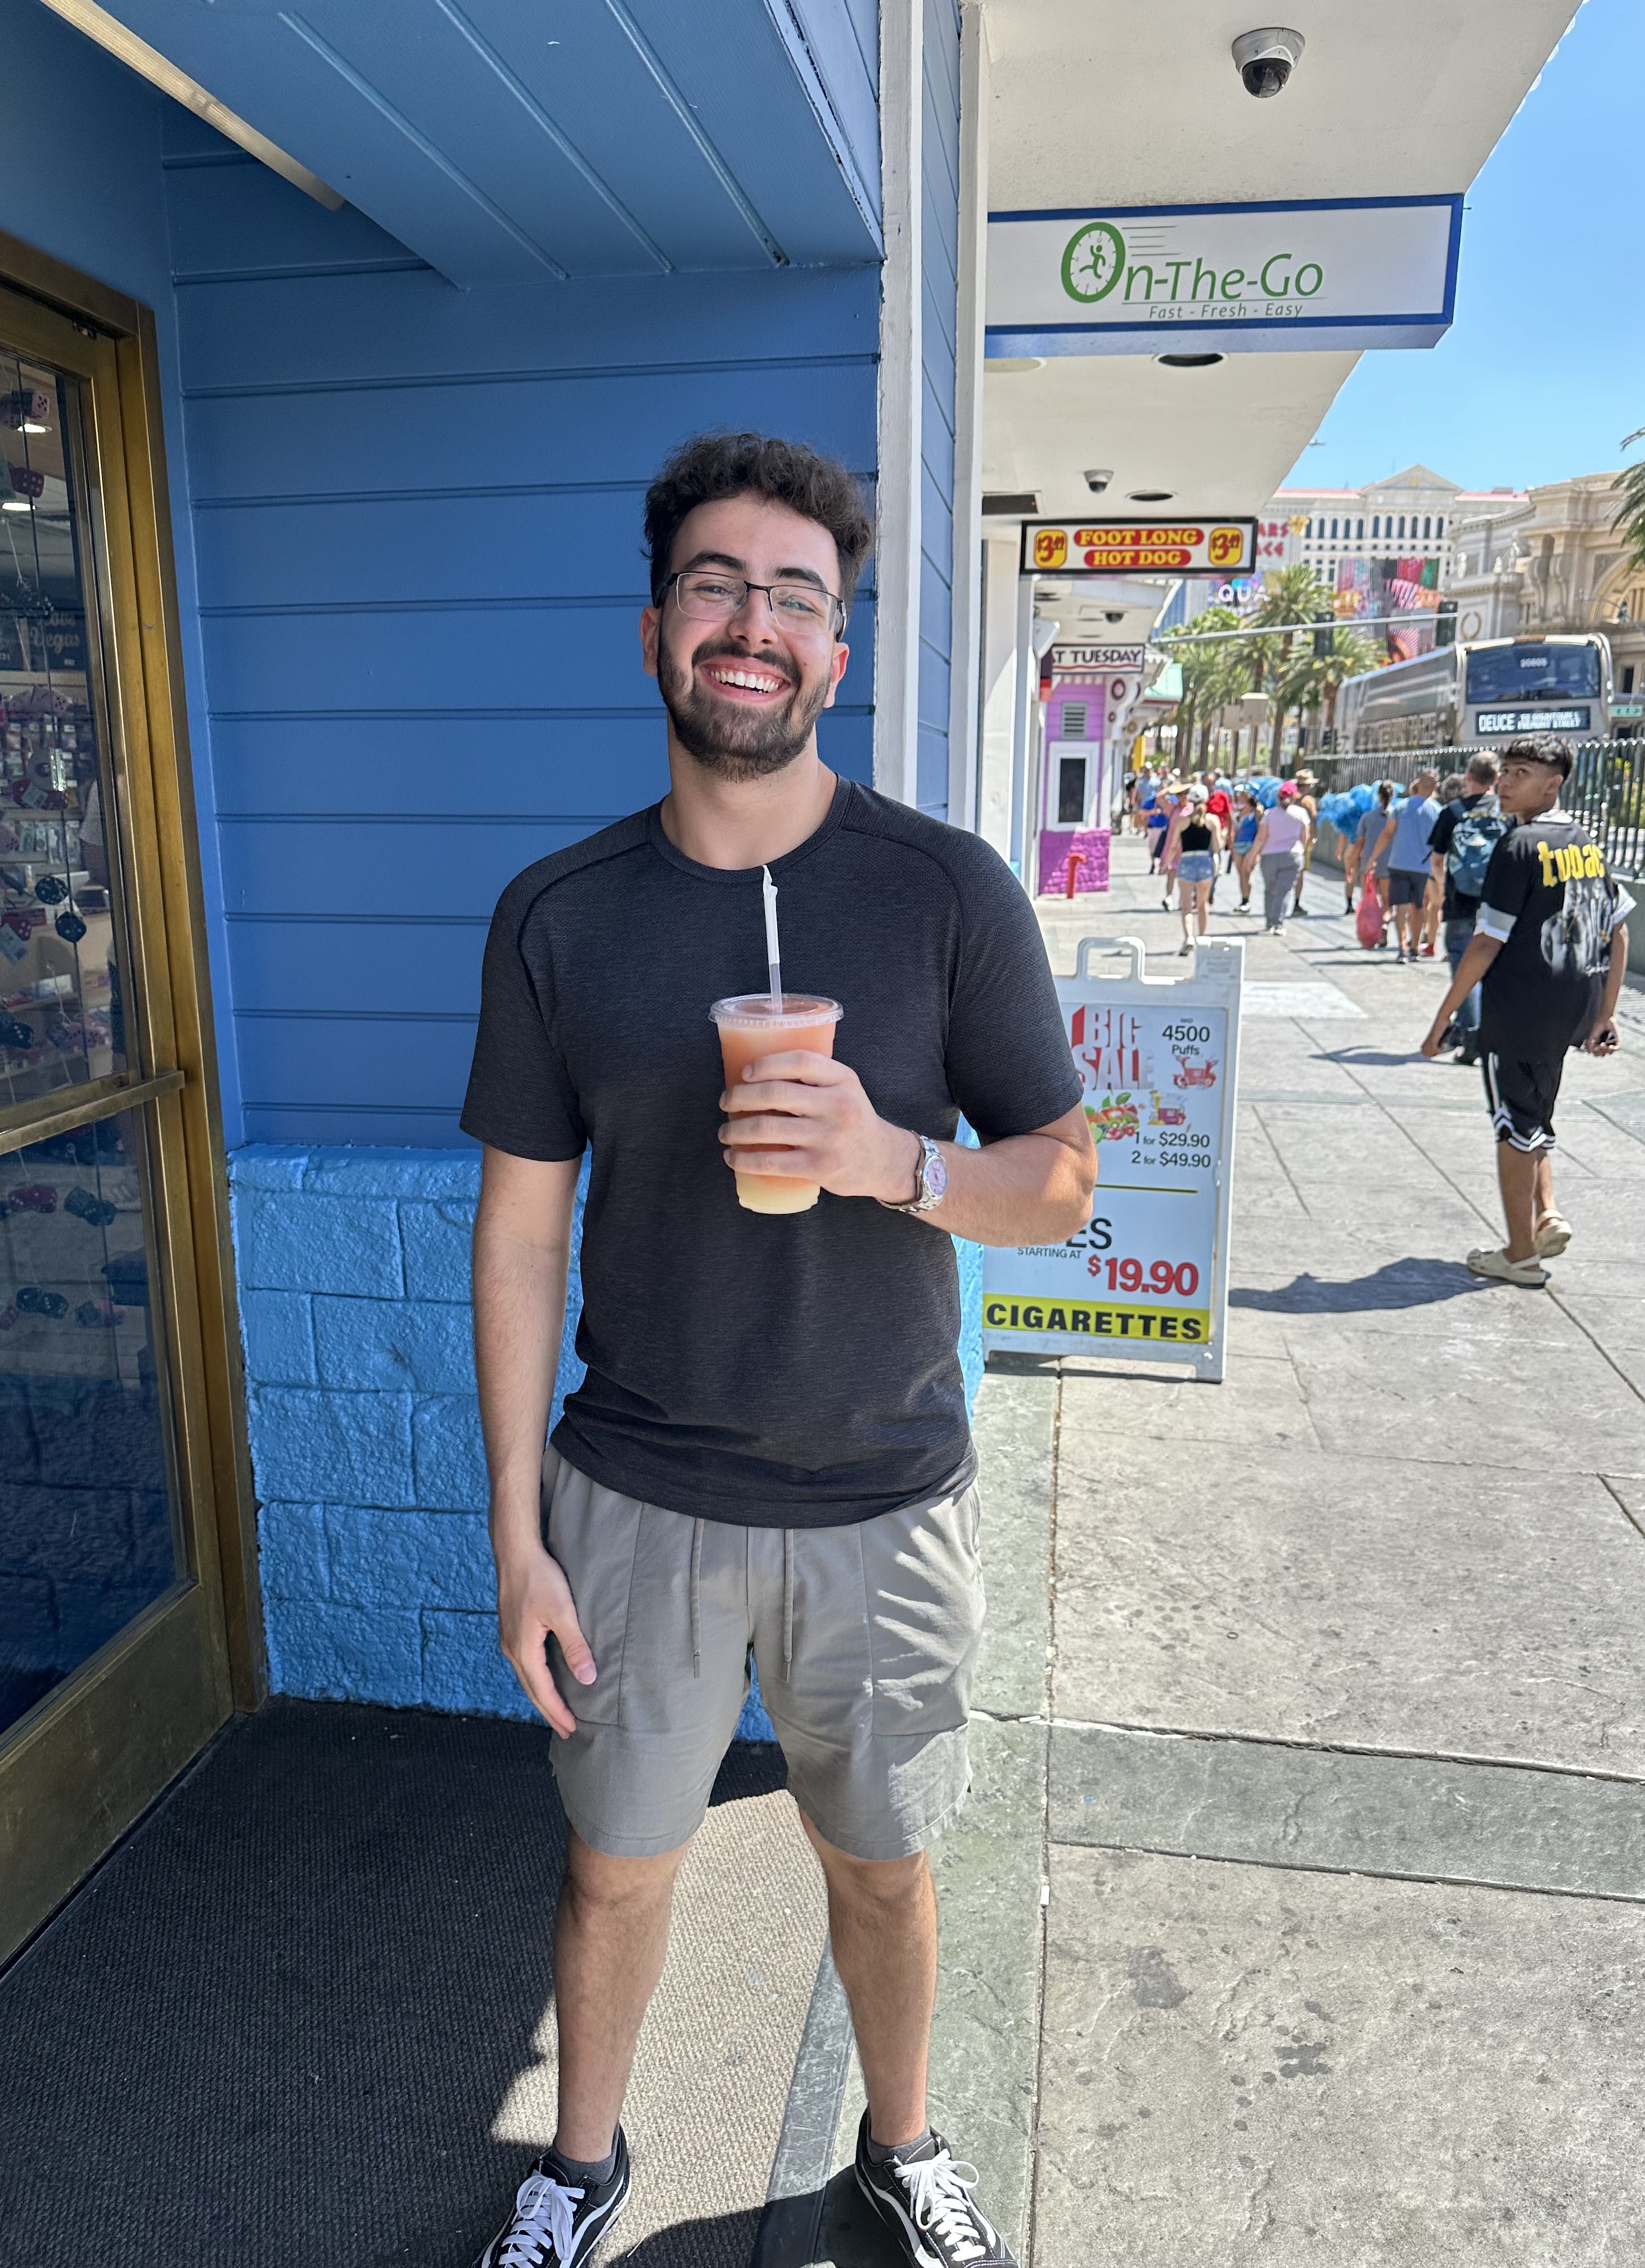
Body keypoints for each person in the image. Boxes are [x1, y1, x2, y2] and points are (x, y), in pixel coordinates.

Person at [463, 431, 1095, 2268]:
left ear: (838, 652)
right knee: (612, 1863)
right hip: (634, 1490)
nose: (753, 622)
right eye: (718, 586)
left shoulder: (941, 891)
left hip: (886, 1494)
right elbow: (516, 1234)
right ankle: (574, 2168)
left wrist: (890, 1160)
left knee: (882, 1865)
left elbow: (1059, 1185)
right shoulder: (561, 915)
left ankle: (902, 2148)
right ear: (654, 629)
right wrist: (516, 1535)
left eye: (796, 597)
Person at [1420, 736, 1632, 1288]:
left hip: (1518, 1011)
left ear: (1553, 783)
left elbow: (1486, 943)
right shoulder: (1584, 842)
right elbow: (1620, 931)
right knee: (1534, 1111)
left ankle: (1520, 1256)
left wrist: (1443, 1020)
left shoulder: (1517, 849)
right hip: (1569, 1011)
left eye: (1521, 773)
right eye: (1506, 771)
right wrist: (1605, 1013)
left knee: (1512, 1126)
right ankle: (1547, 1214)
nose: (1507, 783)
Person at [1426, 754, 1506, 1065]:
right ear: (1496, 779)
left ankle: (1472, 1036)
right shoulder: (1505, 811)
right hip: (1498, 903)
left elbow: (1436, 860)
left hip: (1461, 902)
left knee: (1464, 969)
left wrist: (1447, 886)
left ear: (1468, 776)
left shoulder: (1453, 812)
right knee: (1492, 969)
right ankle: (1481, 1031)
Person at [1379, 768, 1442, 962]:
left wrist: (1372, 858)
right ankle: (1415, 947)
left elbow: (1388, 833)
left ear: (1418, 784)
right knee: (1420, 907)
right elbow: (1440, 844)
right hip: (1423, 868)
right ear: (1436, 787)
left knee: (1401, 909)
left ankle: (1402, 948)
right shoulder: (1438, 811)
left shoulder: (1400, 807)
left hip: (1398, 863)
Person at [1173, 786, 1224, 955]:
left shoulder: (1182, 820)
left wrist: (1166, 863)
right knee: (1202, 904)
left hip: (1187, 861)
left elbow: (1174, 846)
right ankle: (1202, 938)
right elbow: (1217, 847)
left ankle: (1189, 938)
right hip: (1205, 862)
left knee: (1186, 905)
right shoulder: (1212, 821)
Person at [1256, 782, 1309, 935]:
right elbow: (1305, 836)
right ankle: (1278, 925)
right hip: (1292, 856)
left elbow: (1262, 837)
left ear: (1278, 798)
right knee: (1284, 891)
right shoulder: (1301, 814)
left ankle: (1269, 924)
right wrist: (1301, 851)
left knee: (1270, 890)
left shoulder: (1269, 814)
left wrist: (1254, 855)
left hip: (1269, 857)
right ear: (1293, 798)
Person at [1347, 780, 1396, 926]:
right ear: (1393, 795)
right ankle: (1385, 924)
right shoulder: (1397, 818)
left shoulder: (1367, 817)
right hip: (1390, 864)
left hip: (1369, 864)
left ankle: (1370, 928)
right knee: (1388, 901)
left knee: (1369, 898)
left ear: (1378, 796)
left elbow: (1359, 844)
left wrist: (1351, 864)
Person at [1290, 767, 1320, 917]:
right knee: (1299, 873)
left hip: (1287, 839)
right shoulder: (1308, 801)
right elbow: (1312, 822)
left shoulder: (1289, 799)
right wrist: (1313, 839)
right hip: (1302, 841)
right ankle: (1296, 904)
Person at [1232, 788, 1263, 911]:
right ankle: (1244, 899)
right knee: (1241, 874)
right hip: (1238, 845)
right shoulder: (1238, 810)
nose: (1241, 796)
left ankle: (1247, 901)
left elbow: (1261, 829)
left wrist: (1258, 849)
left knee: (1247, 871)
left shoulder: (1257, 811)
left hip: (1251, 845)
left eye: (1243, 795)